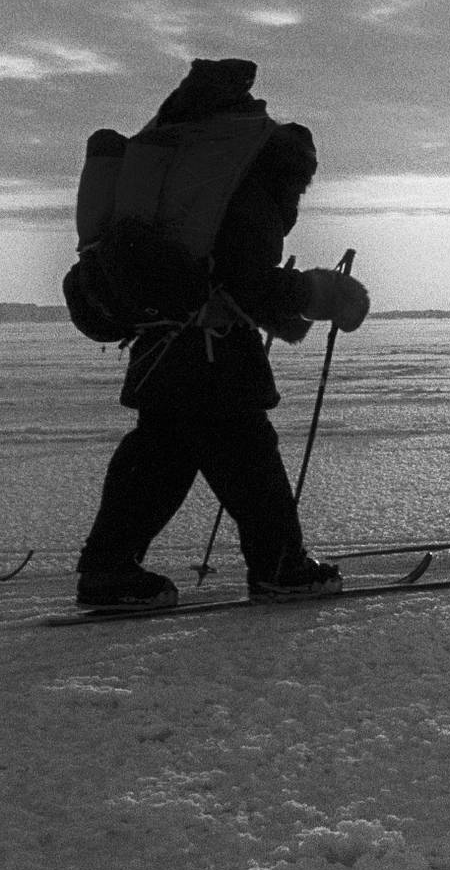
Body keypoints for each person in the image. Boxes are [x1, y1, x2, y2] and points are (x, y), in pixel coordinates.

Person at [75, 58, 370, 608]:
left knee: (164, 454)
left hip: (162, 338)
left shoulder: (172, 163)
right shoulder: (243, 175)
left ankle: (109, 568)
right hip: (211, 347)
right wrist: (323, 295)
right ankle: (279, 566)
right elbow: (244, 277)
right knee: (243, 452)